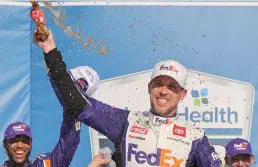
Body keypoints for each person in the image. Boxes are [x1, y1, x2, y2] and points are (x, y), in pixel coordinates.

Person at [38, 29, 221, 167]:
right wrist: (50, 50)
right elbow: (77, 104)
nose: (163, 91)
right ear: (149, 88)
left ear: (182, 94)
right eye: (158, 84)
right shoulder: (127, 122)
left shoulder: (194, 136)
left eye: (172, 87)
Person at [1, 36, 99, 167]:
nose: (20, 145)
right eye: (14, 140)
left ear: (30, 144)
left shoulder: (41, 164)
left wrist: (73, 98)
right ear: (5, 144)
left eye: (25, 140)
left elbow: (67, 146)